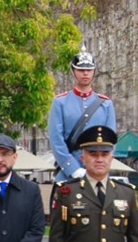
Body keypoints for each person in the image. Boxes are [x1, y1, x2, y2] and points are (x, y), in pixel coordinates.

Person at [48, 47, 116, 181]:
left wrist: (99, 167)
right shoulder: (60, 102)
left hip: (97, 173)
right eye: (81, 70)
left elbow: (111, 142)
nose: (85, 73)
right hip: (68, 174)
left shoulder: (106, 104)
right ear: (73, 72)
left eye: (89, 70)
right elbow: (56, 140)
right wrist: (72, 168)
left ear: (94, 72)